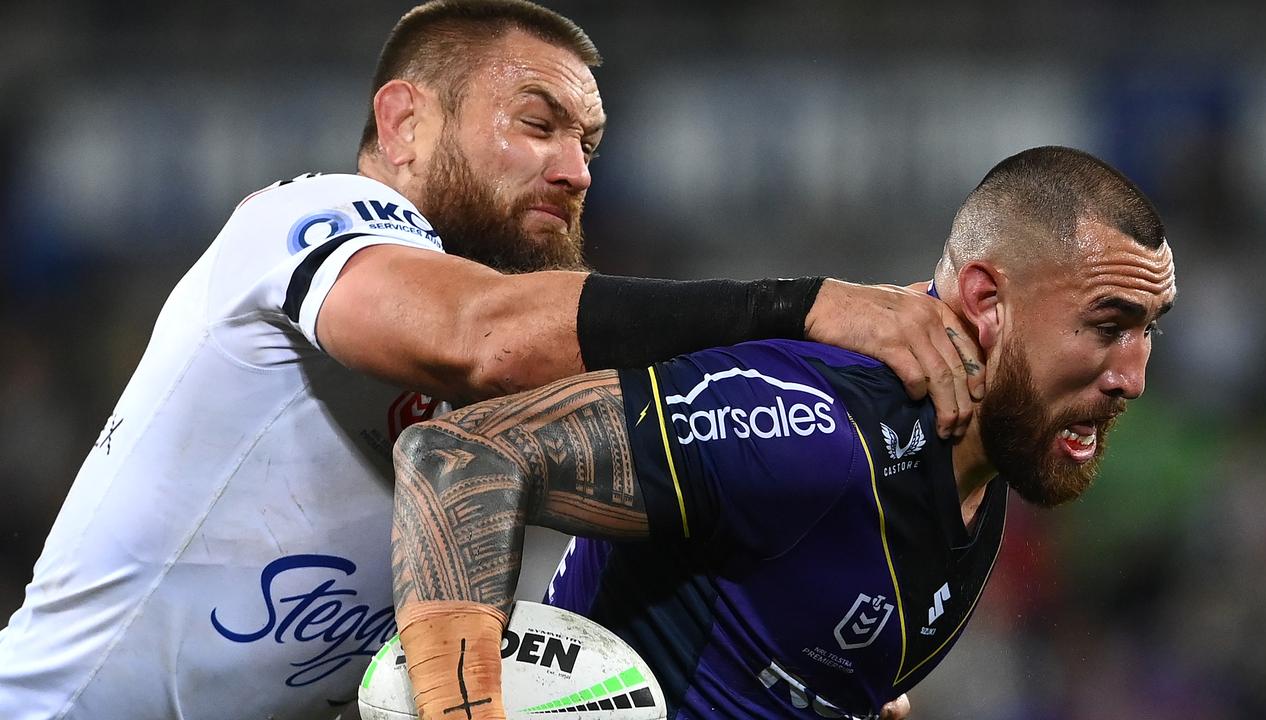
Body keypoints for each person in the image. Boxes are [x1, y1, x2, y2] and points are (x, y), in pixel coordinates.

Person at [0, 2, 981, 719]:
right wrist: (798, 306)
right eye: (537, 123)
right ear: (403, 123)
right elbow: (481, 335)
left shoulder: (538, 425)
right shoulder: (305, 222)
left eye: (589, 141)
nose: (576, 168)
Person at [389, 145, 1177, 720]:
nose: (1132, 377)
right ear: (986, 299)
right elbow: (461, 456)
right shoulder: (814, 427)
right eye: (1107, 326)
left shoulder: (980, 464)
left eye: (1149, 331)